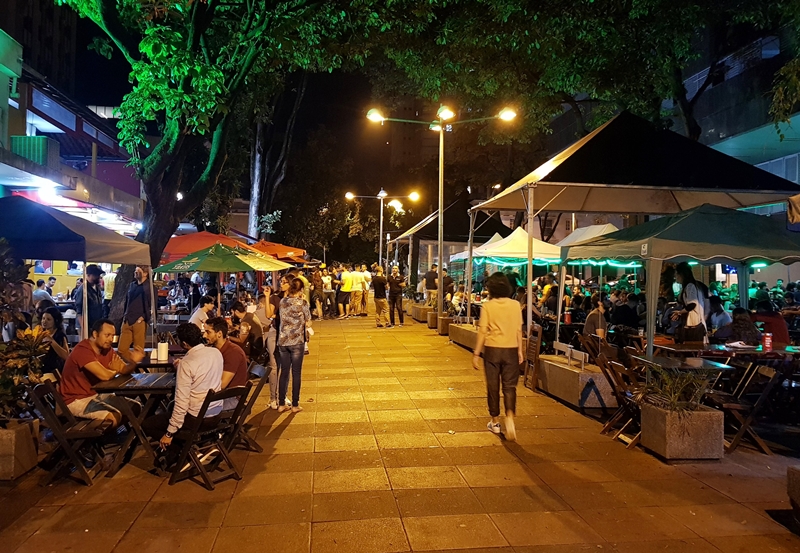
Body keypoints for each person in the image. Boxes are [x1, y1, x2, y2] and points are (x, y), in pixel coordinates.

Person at [143, 323, 225, 465]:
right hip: (215, 414)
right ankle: (187, 450)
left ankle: (181, 451)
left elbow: (182, 404)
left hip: (196, 419)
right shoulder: (215, 353)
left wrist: (169, 433)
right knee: (170, 408)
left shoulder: (187, 364)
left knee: (147, 424)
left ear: (184, 343)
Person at [59, 318, 144, 426]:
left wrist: (133, 363)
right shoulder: (82, 350)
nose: (111, 339)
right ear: (95, 334)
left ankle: (108, 436)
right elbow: (104, 375)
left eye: (113, 336)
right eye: (107, 335)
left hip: (96, 394)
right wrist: (115, 370)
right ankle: (94, 439)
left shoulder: (106, 349)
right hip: (75, 399)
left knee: (135, 408)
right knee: (113, 416)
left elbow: (123, 369)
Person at [472, 272, 523, 441]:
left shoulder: (488, 306)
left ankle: (495, 421)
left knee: (493, 386)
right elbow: (518, 330)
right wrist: (520, 351)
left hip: (493, 349)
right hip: (511, 349)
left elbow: (483, 330)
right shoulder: (516, 305)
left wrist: (476, 353)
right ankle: (509, 416)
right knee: (509, 387)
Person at [277, 277, 312, 413]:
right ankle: (295, 404)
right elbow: (308, 321)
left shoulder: (282, 302)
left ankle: (281, 403)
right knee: (296, 373)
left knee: (284, 372)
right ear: (301, 289)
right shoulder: (302, 303)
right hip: (297, 341)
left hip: (283, 341)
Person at [204, 316, 249, 409]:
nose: (204, 335)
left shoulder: (233, 352)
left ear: (219, 334)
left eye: (208, 332)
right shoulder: (216, 350)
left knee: (191, 407)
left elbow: (222, 384)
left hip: (231, 398)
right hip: (221, 395)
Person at [118, 266, 152, 362]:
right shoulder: (132, 285)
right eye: (135, 271)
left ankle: (137, 369)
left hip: (139, 321)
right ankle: (132, 365)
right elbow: (127, 301)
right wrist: (125, 315)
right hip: (127, 319)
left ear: (145, 273)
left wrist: (144, 317)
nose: (135, 273)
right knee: (121, 350)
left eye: (138, 271)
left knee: (138, 349)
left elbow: (152, 305)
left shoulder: (149, 287)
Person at [671, 262, 707, 342]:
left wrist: (680, 312)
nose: (675, 276)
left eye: (676, 274)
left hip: (694, 324)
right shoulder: (692, 286)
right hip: (694, 323)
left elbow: (692, 304)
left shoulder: (690, 286)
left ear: (681, 274)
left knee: (691, 346)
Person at [74, 264, 105, 332]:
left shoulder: (97, 288)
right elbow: (79, 311)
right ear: (88, 275)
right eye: (95, 275)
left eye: (99, 275)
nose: (98, 277)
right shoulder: (83, 290)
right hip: (86, 326)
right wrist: (85, 328)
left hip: (95, 325)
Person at [39, 306, 69, 374]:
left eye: (48, 319)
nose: (44, 321)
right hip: (41, 368)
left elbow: (66, 356)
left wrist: (52, 341)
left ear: (56, 321)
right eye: (43, 318)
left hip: (54, 370)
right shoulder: (40, 334)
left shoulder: (60, 336)